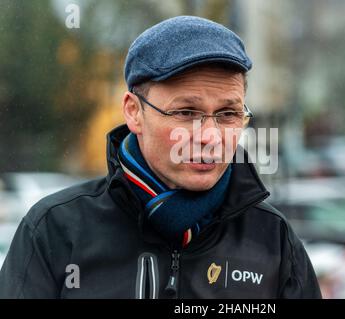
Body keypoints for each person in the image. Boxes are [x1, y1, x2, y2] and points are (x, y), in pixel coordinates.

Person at [0, 16, 321, 299]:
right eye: (185, 112)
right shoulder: (54, 231)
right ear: (133, 112)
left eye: (227, 113)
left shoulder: (274, 241)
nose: (210, 136)